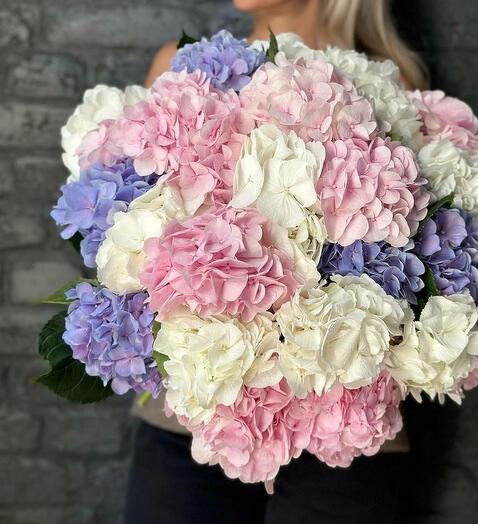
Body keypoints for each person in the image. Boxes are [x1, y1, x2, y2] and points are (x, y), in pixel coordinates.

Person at [125, 1, 428, 523]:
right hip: (192, 430)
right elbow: (126, 240)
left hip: (345, 432)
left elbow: (419, 275)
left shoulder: (386, 81)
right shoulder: (183, 67)